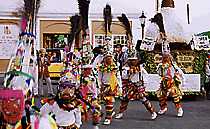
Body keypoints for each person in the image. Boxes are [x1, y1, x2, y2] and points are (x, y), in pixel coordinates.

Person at [98, 54, 118, 125]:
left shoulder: (115, 67)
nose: (109, 59)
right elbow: (99, 76)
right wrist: (99, 85)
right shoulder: (101, 67)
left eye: (110, 58)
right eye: (107, 58)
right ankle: (111, 112)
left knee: (109, 101)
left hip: (112, 86)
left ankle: (108, 118)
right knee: (104, 102)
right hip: (104, 86)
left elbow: (117, 76)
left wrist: (120, 87)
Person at [79, 64, 102, 129]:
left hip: (91, 96)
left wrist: (95, 96)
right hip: (82, 97)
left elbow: (94, 88)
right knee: (81, 112)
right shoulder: (79, 78)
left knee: (96, 111)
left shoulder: (92, 78)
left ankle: (95, 125)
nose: (89, 71)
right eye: (87, 70)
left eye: (90, 69)